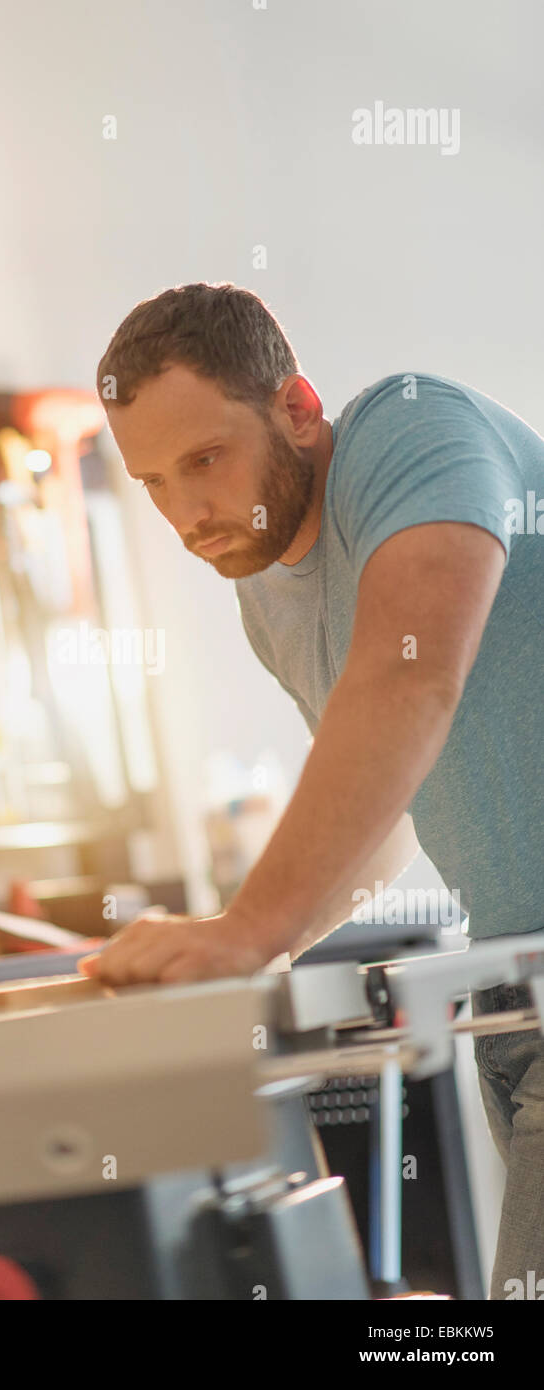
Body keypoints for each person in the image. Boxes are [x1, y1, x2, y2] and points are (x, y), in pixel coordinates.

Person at [83, 282, 544, 1299]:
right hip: (519, 1010)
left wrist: (248, 928)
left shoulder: (415, 427)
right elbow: (380, 803)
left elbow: (408, 678)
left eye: (204, 460)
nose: (187, 513)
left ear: (297, 406)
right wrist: (251, 953)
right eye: (153, 482)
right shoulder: (267, 599)